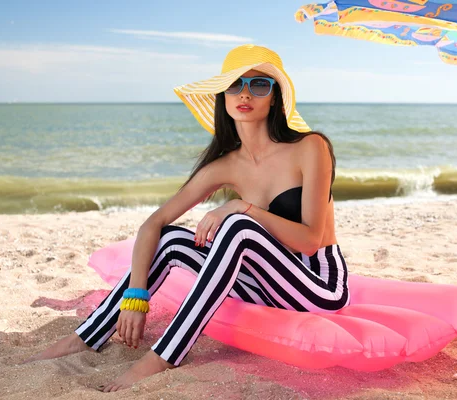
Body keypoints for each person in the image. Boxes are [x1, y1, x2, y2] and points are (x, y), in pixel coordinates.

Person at [23, 44, 350, 392]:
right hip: (265, 283)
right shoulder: (225, 165)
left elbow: (311, 239)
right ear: (222, 95)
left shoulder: (309, 147)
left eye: (259, 85)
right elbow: (153, 224)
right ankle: (86, 338)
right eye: (235, 84)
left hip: (318, 283)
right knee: (172, 240)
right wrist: (136, 296)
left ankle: (165, 354)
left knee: (238, 225)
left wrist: (241, 207)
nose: (245, 94)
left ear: (275, 97)